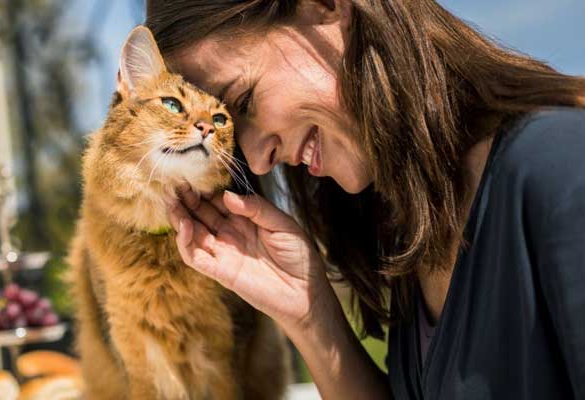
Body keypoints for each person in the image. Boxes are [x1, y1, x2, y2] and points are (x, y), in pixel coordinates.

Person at [146, 1, 585, 399]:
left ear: (324, 7)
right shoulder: (413, 235)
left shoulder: (558, 172)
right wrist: (308, 315)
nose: (259, 161)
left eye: (244, 101)